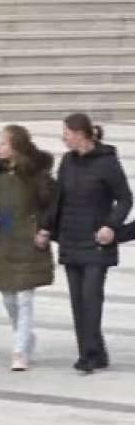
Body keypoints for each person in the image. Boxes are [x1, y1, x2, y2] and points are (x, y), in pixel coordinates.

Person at [39, 113, 133, 374]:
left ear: (80, 134)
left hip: (96, 242)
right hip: (70, 240)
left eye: (66, 133)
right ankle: (94, 352)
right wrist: (46, 228)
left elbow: (125, 199)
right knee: (78, 302)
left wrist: (110, 226)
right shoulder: (68, 161)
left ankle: (89, 355)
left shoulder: (107, 163)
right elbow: (58, 199)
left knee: (91, 299)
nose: (63, 137)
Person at [0, 125, 56, 371]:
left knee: (25, 298)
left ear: (16, 148)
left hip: (29, 238)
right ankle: (26, 337)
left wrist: (45, 228)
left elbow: (51, 204)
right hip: (4, 241)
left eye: (4, 143)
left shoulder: (36, 175)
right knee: (8, 299)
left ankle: (19, 350)